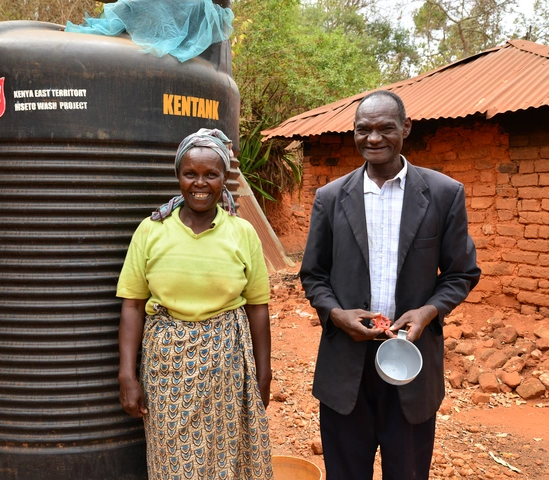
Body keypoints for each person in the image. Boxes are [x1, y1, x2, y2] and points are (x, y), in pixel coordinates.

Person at [300, 90, 481, 480]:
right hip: (346, 366)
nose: (374, 138)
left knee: (408, 472)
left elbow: (461, 273)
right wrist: (336, 314)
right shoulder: (330, 198)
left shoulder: (443, 194)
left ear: (406, 128)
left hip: (410, 365)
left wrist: (428, 311)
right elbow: (313, 275)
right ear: (354, 132)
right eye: (363, 130)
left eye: (385, 128)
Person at [116, 128, 274, 480]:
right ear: (178, 176)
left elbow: (258, 307)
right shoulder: (151, 231)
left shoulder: (242, 232)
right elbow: (132, 304)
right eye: (190, 174)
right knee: (172, 459)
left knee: (227, 458)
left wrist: (264, 373)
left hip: (227, 361)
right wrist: (127, 373)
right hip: (167, 365)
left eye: (211, 174)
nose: (200, 183)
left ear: (224, 179)